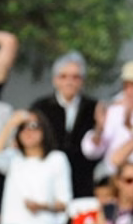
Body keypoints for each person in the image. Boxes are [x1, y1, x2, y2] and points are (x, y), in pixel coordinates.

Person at [0, 109, 73, 224]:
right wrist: (10, 124)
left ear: (44, 129)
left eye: (34, 126)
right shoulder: (14, 158)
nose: (28, 131)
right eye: (23, 127)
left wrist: (41, 206)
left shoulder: (56, 159)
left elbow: (65, 202)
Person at [30, 51, 101, 198]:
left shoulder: (93, 108)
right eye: (63, 76)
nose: (69, 81)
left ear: (82, 81)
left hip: (82, 180)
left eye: (75, 77)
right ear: (55, 80)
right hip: (47, 179)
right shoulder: (41, 107)